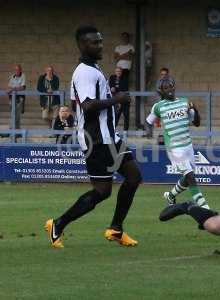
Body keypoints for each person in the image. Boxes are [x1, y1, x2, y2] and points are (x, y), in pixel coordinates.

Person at [45, 25, 142, 248]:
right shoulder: (85, 72)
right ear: (81, 45)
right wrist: (118, 99)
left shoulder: (92, 69)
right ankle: (58, 224)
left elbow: (76, 103)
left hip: (108, 137)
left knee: (133, 176)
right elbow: (88, 106)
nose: (99, 45)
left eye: (100, 41)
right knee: (102, 191)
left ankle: (116, 229)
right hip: (97, 140)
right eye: (94, 42)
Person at [145, 76, 209, 209]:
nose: (169, 89)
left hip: (188, 146)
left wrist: (195, 110)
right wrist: (150, 133)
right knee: (191, 177)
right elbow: (148, 122)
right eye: (166, 87)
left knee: (187, 178)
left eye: (171, 86)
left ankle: (171, 195)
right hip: (174, 148)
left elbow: (196, 123)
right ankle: (205, 208)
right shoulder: (158, 107)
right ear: (161, 91)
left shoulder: (185, 102)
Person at [109, 67, 130, 131]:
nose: (118, 72)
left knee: (126, 116)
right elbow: (111, 87)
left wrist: (115, 88)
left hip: (124, 100)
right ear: (115, 72)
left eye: (119, 71)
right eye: (117, 71)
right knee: (116, 116)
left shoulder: (125, 78)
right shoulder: (112, 77)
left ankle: (125, 132)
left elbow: (123, 89)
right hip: (116, 100)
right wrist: (112, 88)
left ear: (121, 72)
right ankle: (113, 130)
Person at [7, 64, 26, 129]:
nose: (16, 71)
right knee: (13, 113)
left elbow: (22, 87)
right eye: (15, 70)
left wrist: (13, 89)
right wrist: (13, 88)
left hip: (19, 98)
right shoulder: (12, 76)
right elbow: (9, 86)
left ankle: (14, 129)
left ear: (20, 70)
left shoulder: (23, 76)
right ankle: (14, 129)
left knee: (17, 114)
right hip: (12, 98)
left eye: (18, 69)